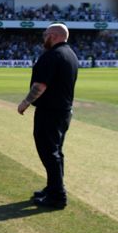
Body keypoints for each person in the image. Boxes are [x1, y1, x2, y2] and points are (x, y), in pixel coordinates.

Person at [17, 23, 78, 209]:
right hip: (63, 112)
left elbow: (40, 86)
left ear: (54, 35)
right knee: (56, 152)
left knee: (48, 152)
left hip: (50, 112)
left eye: (46, 35)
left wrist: (25, 103)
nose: (44, 38)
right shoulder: (70, 55)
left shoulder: (52, 55)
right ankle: (53, 188)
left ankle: (58, 195)